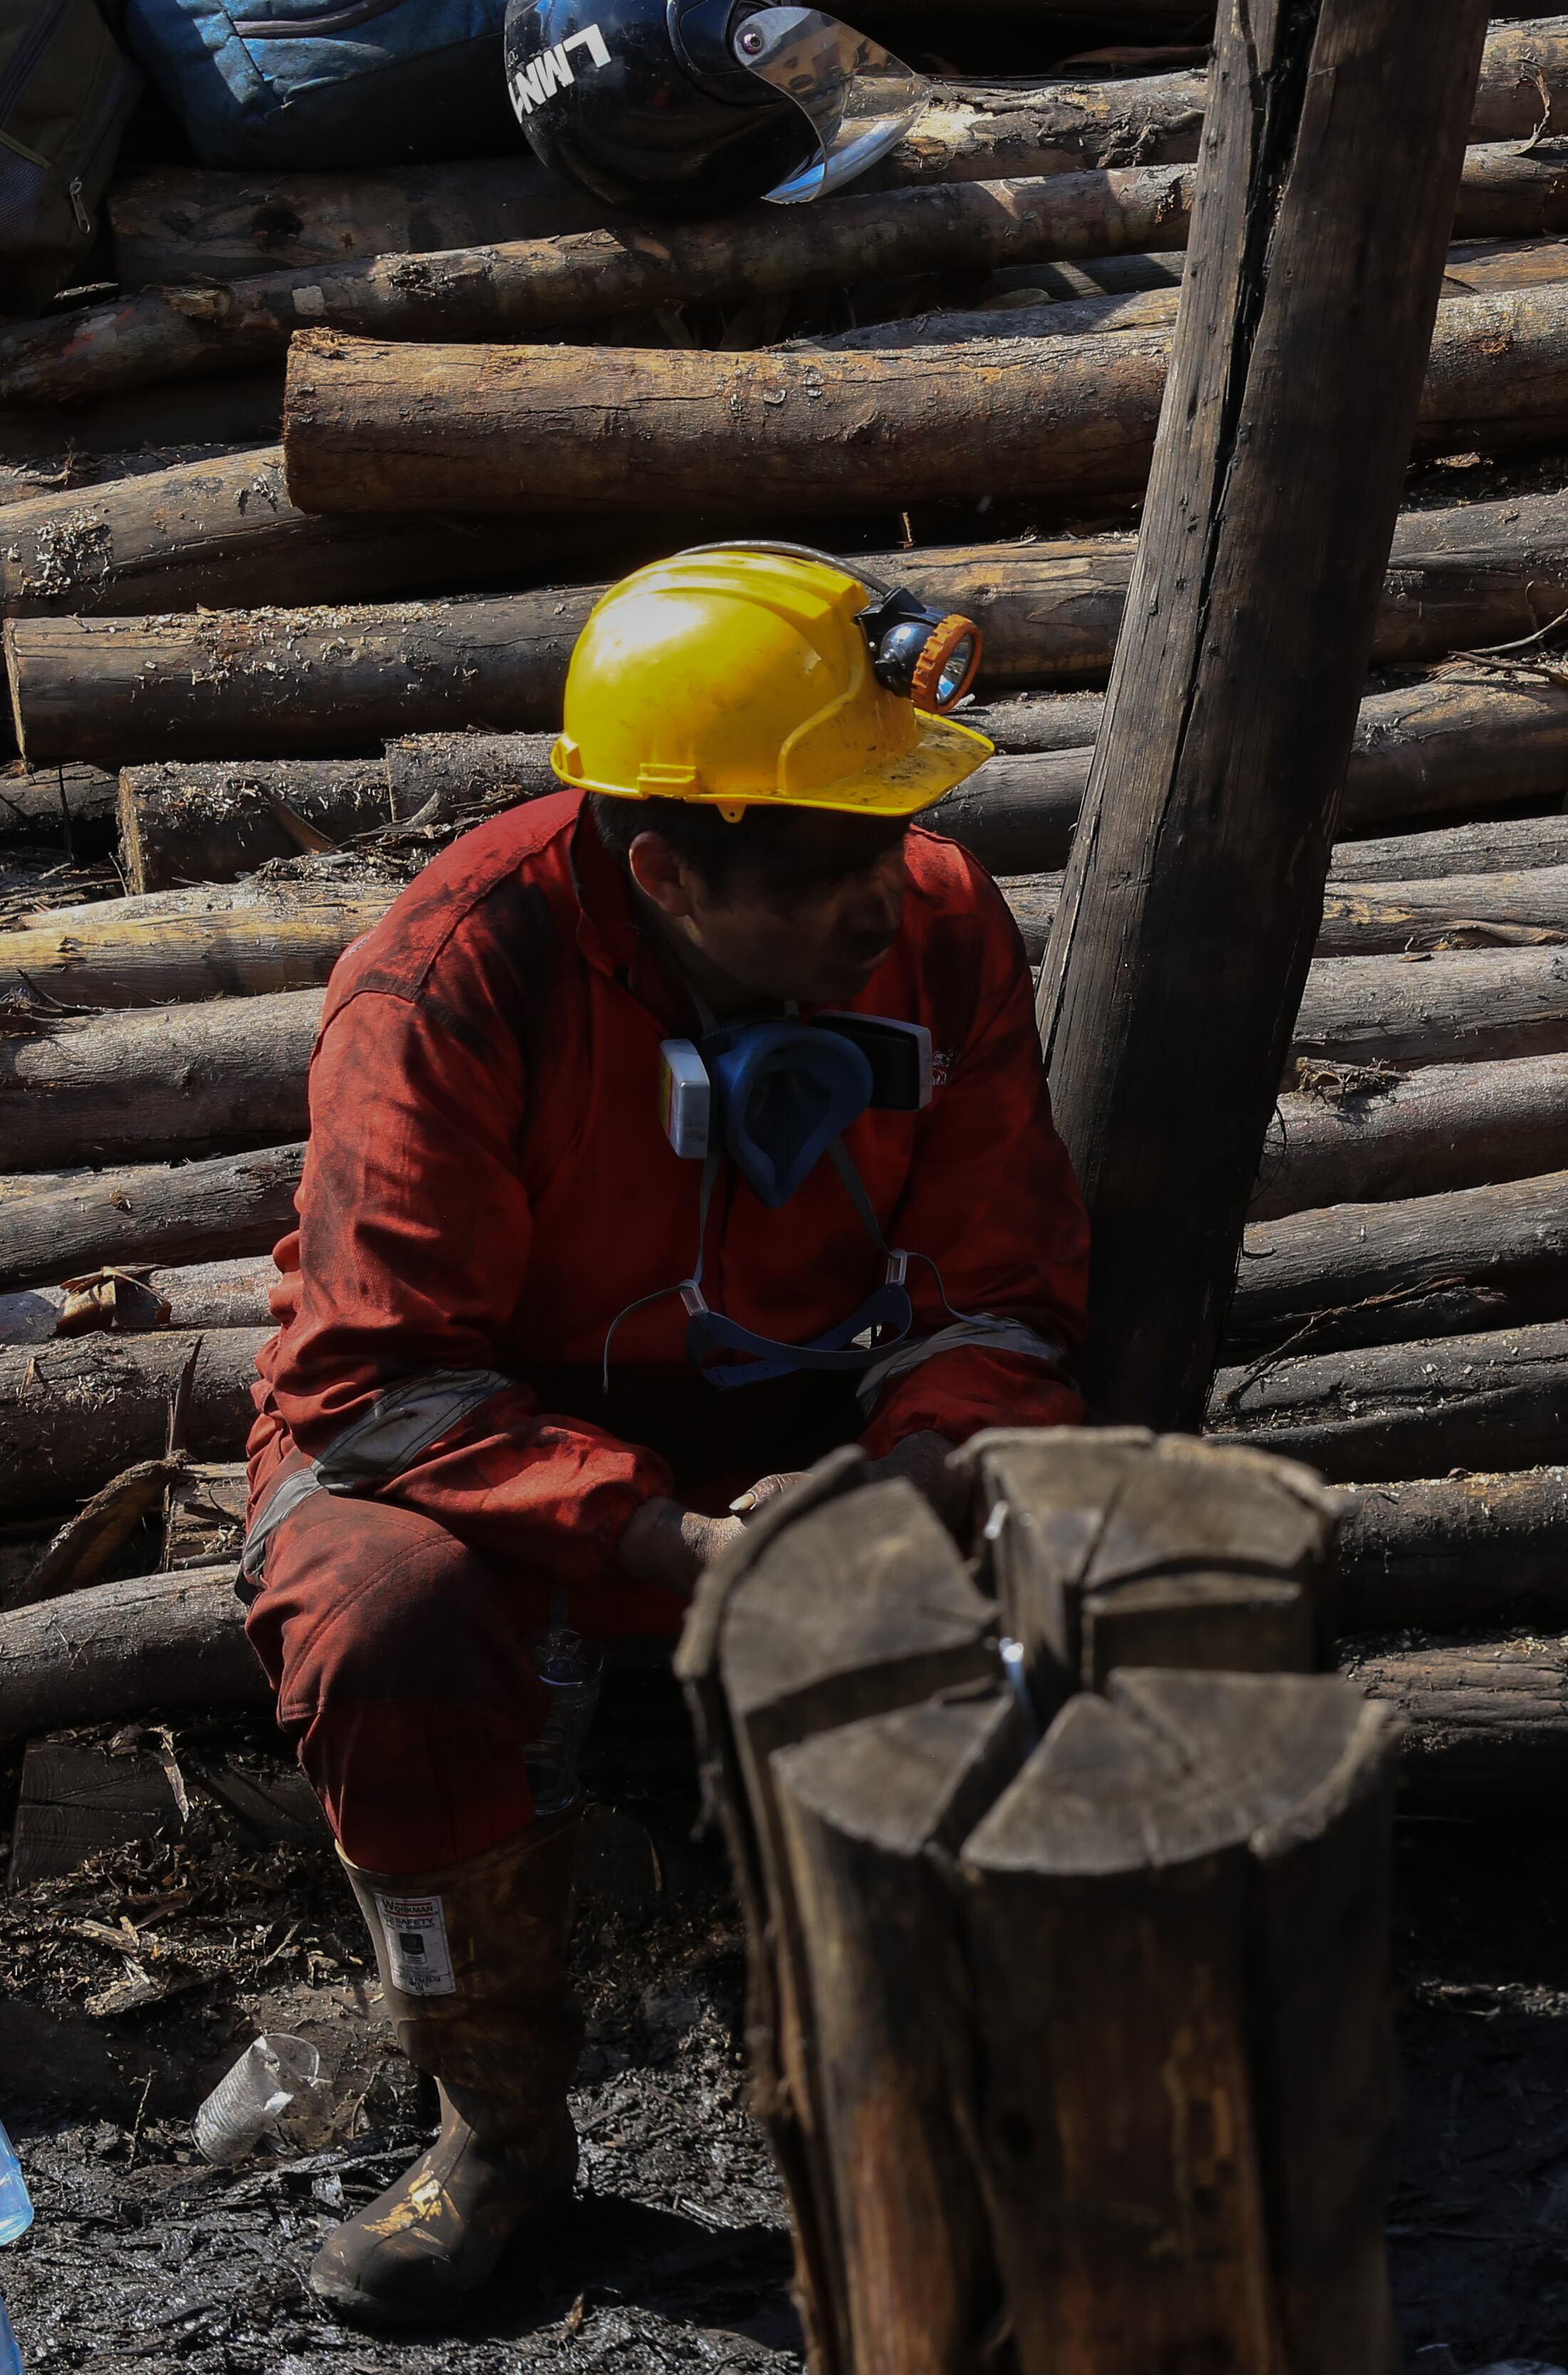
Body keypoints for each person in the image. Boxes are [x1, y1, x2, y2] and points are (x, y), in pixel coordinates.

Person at [237, 544, 1095, 2326]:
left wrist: (904, 1474)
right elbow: (377, 1378)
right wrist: (663, 1536)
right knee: (383, 1620)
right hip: (457, 1437)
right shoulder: (455, 978)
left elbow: (1004, 1293)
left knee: (1059, 1548)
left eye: (895, 839)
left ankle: (963, 2101)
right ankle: (497, 2130)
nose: (891, 896)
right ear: (664, 871)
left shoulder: (936, 923)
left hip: (792, 1423)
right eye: (835, 869)